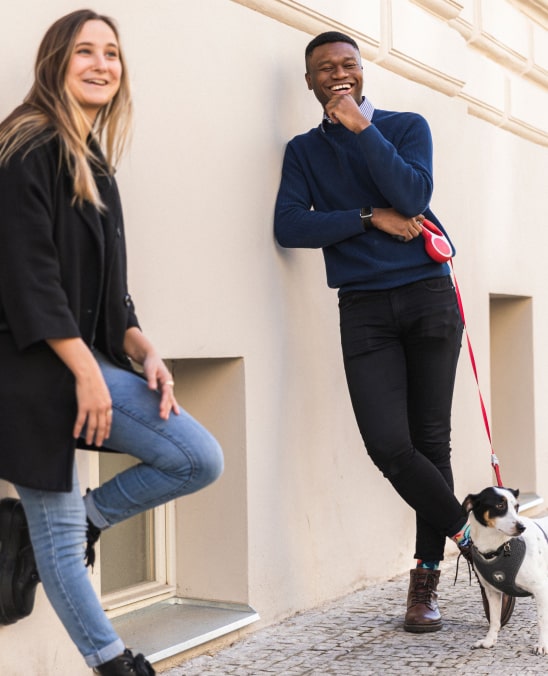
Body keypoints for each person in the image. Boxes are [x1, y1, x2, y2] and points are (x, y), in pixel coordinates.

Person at [0, 9, 223, 675]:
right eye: (85, 53)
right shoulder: (27, 144)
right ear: (56, 65)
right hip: (24, 369)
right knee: (60, 537)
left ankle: (80, 522)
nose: (102, 65)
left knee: (195, 456)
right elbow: (28, 277)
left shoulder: (90, 153)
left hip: (76, 360)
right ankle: (114, 664)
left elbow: (108, 289)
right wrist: (87, 373)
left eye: (112, 54)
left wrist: (140, 347)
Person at [274, 31, 513, 633]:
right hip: (363, 308)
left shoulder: (406, 126)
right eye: (324, 68)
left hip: (429, 297)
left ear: (363, 71)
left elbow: (413, 192)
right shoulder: (303, 151)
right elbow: (289, 226)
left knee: (432, 442)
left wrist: (361, 127)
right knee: (388, 443)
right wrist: (365, 217)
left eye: (348, 64)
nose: (337, 73)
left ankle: (424, 582)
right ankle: (476, 544)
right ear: (309, 82)